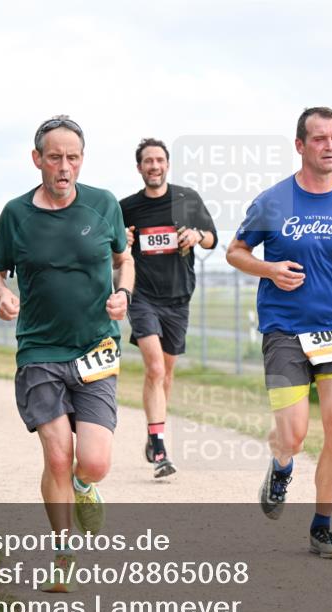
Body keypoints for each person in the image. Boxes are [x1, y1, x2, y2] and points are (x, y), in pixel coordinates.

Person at [226, 107, 332, 559]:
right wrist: (269, 269)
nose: (330, 146)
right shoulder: (273, 201)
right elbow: (235, 252)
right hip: (284, 332)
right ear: (300, 145)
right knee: (293, 435)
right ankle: (281, 468)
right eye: (320, 138)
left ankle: (322, 527)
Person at [0, 115, 133, 591]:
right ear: (37, 160)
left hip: (95, 347)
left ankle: (85, 486)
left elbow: (122, 259)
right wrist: (2, 295)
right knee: (55, 455)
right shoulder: (15, 214)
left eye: (72, 157)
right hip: (39, 351)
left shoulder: (104, 204)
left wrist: (123, 293)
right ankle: (63, 549)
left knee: (92, 462)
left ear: (81, 161)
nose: (64, 167)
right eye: (55, 157)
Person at [121, 138, 218, 478]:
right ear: (139, 168)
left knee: (167, 373)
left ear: (167, 164)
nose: (154, 166)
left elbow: (212, 237)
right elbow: (111, 244)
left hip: (178, 298)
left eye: (159, 160)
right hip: (143, 296)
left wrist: (195, 236)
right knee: (155, 369)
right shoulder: (127, 207)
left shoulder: (186, 198)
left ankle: (153, 431)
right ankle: (160, 445)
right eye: (148, 161)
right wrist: (123, 241)